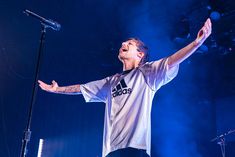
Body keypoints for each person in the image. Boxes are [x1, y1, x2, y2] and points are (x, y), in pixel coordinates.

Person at [38, 18, 212, 157]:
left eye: (130, 43)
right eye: (124, 42)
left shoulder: (148, 73)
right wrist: (56, 89)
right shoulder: (111, 81)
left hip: (136, 148)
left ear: (140, 53)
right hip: (110, 150)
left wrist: (197, 43)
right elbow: (81, 88)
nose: (124, 43)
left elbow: (172, 60)